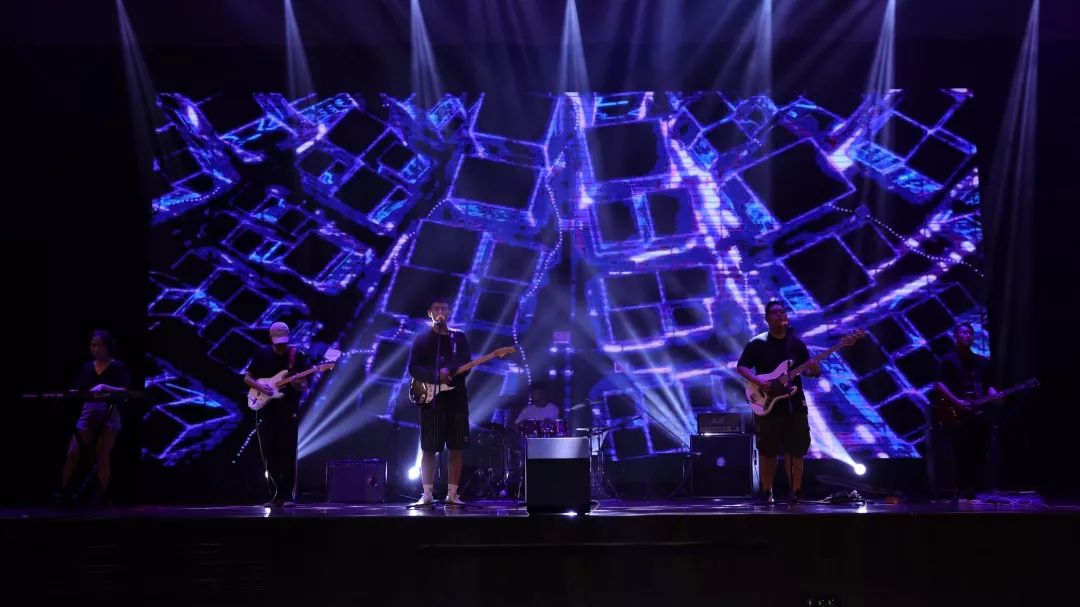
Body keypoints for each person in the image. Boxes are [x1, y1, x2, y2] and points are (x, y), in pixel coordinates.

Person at [736, 301, 820, 503]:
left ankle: (796, 491)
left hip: (794, 403)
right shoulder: (757, 343)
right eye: (775, 313)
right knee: (768, 449)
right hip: (768, 404)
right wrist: (758, 381)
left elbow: (808, 372)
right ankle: (767, 492)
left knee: (796, 449)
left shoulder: (796, 345)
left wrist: (814, 370)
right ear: (766, 318)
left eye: (782, 312)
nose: (780, 315)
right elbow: (742, 367)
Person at [408, 297, 473, 507]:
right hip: (432, 400)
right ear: (430, 313)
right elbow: (413, 368)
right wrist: (435, 375)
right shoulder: (422, 339)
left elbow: (466, 363)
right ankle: (427, 494)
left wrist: (450, 370)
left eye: (443, 308)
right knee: (429, 448)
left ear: (450, 312)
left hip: (456, 398)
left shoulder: (459, 337)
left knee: (456, 446)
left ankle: (452, 494)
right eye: (436, 309)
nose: (440, 312)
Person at [244, 321, 311, 507]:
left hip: (288, 409)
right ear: (270, 338)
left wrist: (298, 383)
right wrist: (260, 387)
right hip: (267, 409)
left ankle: (287, 495)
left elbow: (304, 385)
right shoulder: (262, 354)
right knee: (270, 452)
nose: (281, 346)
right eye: (278, 342)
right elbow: (247, 378)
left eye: (284, 342)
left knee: (287, 451)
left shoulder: (297, 356)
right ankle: (277, 493)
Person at [60, 330, 132, 505]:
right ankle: (65, 493)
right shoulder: (86, 367)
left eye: (98, 345)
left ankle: (103, 495)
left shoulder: (119, 366)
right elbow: (78, 389)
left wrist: (104, 387)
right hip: (88, 412)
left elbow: (125, 391)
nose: (94, 349)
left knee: (102, 455)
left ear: (107, 347)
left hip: (109, 412)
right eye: (92, 345)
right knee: (73, 452)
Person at [933, 322, 1000, 499]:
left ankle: (979, 486)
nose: (967, 335)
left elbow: (988, 385)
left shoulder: (981, 361)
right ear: (956, 336)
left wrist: (994, 394)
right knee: (962, 449)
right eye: (963, 332)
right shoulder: (948, 361)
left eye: (970, 333)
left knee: (982, 447)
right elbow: (940, 384)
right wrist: (958, 402)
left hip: (979, 411)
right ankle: (963, 487)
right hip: (958, 412)